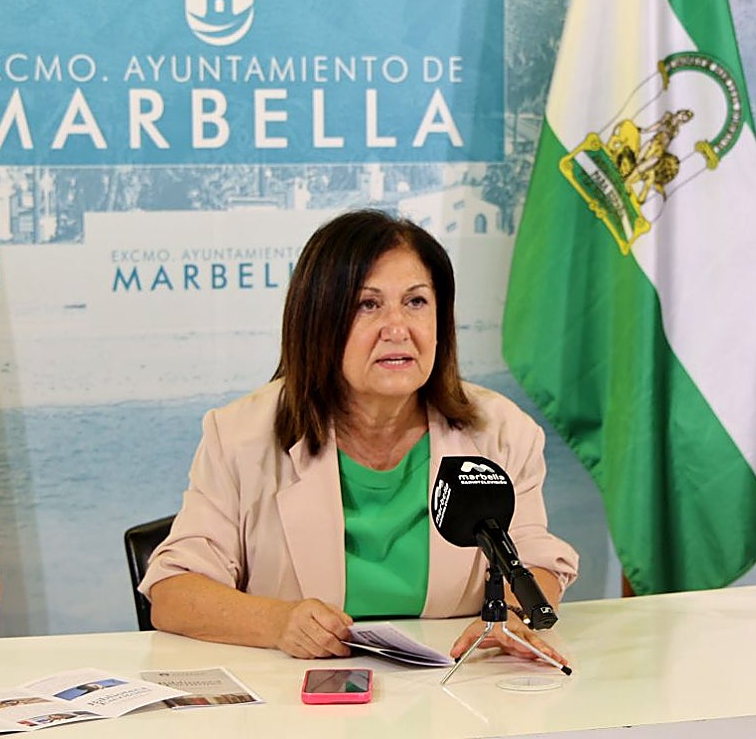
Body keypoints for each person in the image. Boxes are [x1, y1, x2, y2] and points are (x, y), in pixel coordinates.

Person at [139, 208, 578, 664]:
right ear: (319, 323)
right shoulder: (238, 436)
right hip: (297, 704)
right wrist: (278, 623)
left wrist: (506, 617)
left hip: (458, 694)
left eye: (416, 302)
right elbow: (173, 592)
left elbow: (536, 565)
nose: (397, 329)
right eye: (368, 304)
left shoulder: (502, 433)